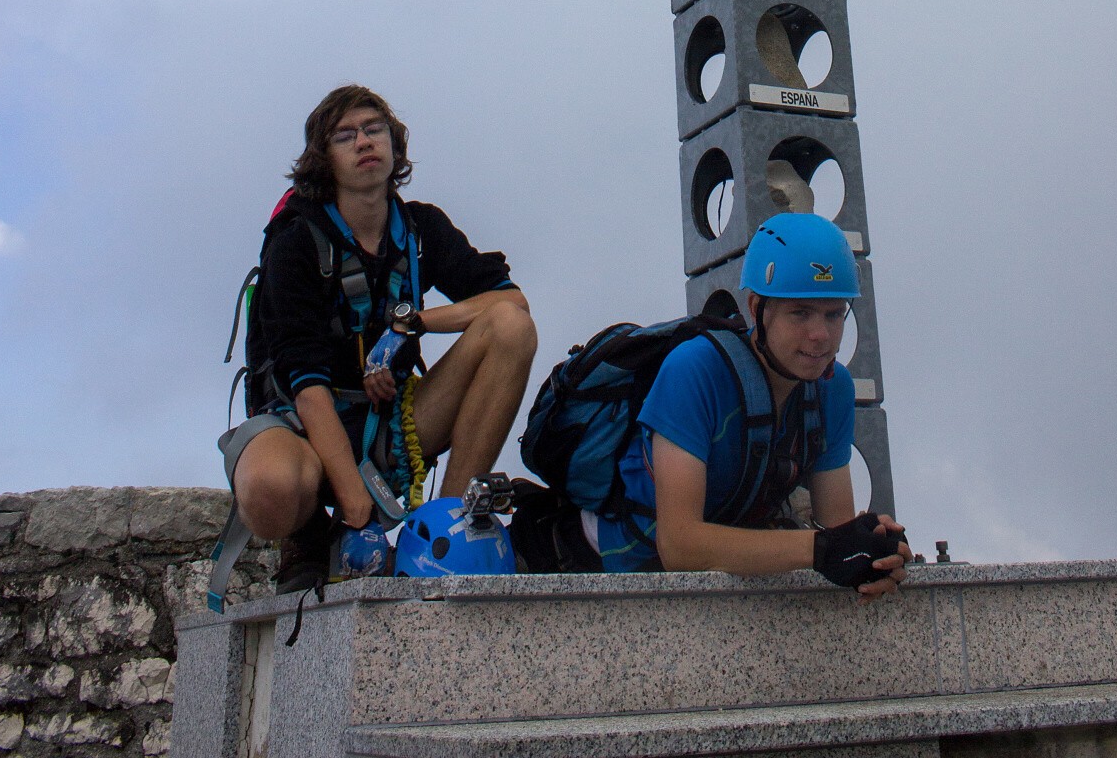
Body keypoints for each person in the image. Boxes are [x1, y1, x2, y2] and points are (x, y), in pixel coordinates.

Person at [230, 84, 536, 593]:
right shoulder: (295, 245)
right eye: (345, 136)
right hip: (305, 424)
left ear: (394, 147)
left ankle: (444, 528)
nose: (364, 142)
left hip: (391, 425)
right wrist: (356, 510)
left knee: (512, 329)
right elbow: (306, 386)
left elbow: (511, 302)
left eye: (375, 130)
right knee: (269, 487)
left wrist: (416, 322)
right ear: (323, 160)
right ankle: (309, 538)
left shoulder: (421, 230)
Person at [515, 214, 910, 597]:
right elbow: (680, 545)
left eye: (833, 314)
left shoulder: (832, 388)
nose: (820, 335)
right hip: (594, 565)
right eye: (799, 313)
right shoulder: (695, 370)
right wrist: (822, 550)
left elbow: (836, 529)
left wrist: (874, 555)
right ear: (757, 308)